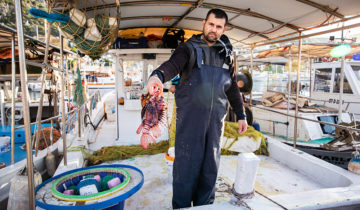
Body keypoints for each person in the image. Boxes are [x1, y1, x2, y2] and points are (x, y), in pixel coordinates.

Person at [146, 8, 248, 208]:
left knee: (210, 170)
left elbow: (233, 87)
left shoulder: (226, 55)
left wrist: (241, 114)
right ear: (203, 23)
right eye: (211, 24)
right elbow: (173, 65)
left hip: (215, 124)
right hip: (190, 123)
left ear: (223, 29)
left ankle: (205, 206)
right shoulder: (188, 48)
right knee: (186, 170)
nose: (214, 30)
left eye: (219, 27)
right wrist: (157, 75)